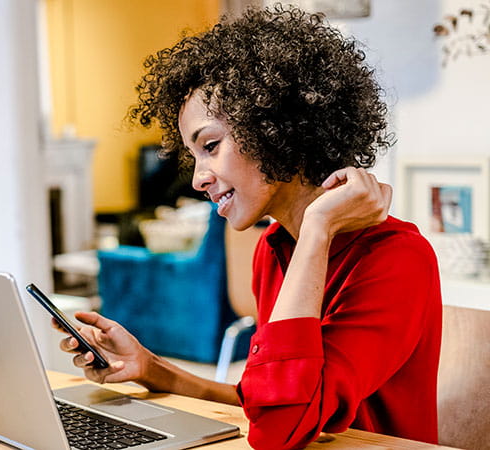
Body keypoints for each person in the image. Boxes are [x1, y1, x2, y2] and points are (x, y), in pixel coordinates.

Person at [55, 5, 442, 450]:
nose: (198, 177)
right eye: (193, 155)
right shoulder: (274, 248)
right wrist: (150, 368)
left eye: (211, 146)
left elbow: (280, 431)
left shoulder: (396, 259)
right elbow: (268, 401)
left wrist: (317, 227)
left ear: (278, 131)